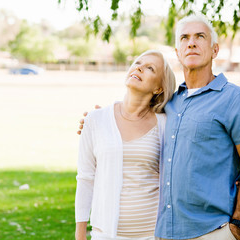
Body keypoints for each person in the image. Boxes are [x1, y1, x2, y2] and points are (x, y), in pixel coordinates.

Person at [78, 14, 240, 240]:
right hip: (167, 232)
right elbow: (136, 112)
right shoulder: (172, 104)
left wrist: (238, 224)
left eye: (200, 37)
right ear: (178, 52)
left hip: (215, 231)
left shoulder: (236, 99)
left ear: (215, 50)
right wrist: (99, 120)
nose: (191, 43)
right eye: (185, 38)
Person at [75, 50, 176, 240]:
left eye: (149, 68)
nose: (139, 67)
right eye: (137, 62)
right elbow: (86, 178)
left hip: (153, 235)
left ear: (159, 88)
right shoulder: (95, 119)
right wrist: (80, 235)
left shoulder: (165, 124)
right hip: (105, 235)